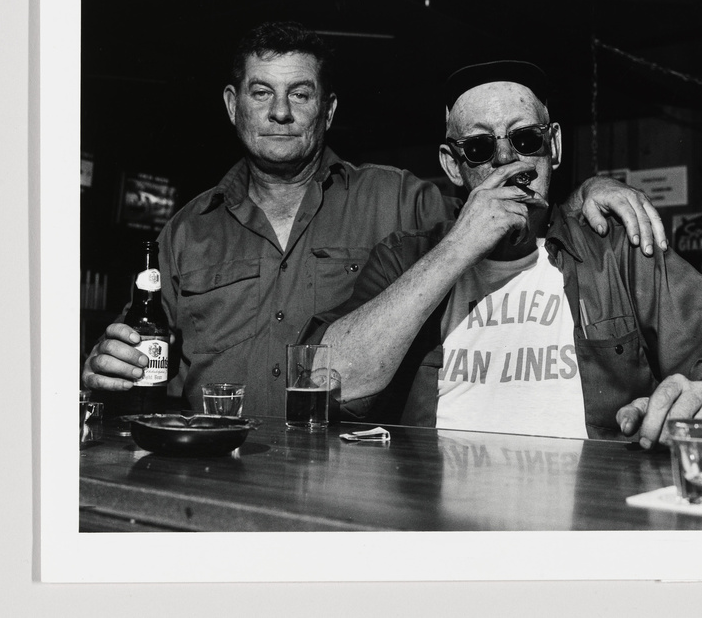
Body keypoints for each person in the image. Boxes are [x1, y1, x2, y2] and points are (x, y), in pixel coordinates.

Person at [82, 23, 668, 418]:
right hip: (210, 466)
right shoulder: (185, 229)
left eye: (301, 94)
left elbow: (506, 215)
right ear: (234, 105)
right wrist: (106, 366)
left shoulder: (399, 199)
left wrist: (584, 192)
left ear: (329, 110)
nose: (280, 111)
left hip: (343, 476)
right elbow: (147, 349)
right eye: (262, 93)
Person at [310, 60, 702, 448]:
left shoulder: (614, 252)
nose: (508, 160)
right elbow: (330, 381)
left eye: (525, 139)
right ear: (452, 164)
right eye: (480, 147)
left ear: (554, 147)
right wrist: (459, 247)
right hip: (438, 515)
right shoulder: (404, 259)